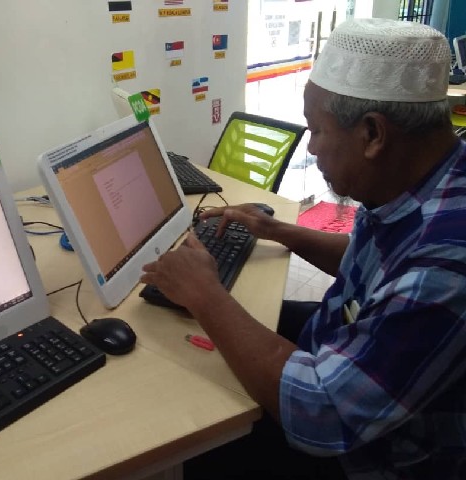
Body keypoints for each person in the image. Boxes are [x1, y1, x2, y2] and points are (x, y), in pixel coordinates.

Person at [141, 18, 466, 480]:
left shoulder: (447, 263)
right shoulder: (426, 178)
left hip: (373, 457)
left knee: (194, 433)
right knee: (222, 326)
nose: (311, 148)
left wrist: (205, 294)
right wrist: (278, 231)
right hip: (343, 344)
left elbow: (321, 413)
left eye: (316, 130)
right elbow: (376, 264)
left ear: (373, 135)